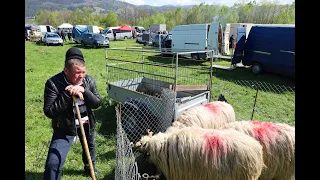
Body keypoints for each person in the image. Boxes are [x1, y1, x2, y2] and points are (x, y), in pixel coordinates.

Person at [43, 47, 102, 180]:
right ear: (65, 70)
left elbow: (97, 103)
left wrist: (84, 90)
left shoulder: (89, 81)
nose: (81, 76)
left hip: (86, 123)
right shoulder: (53, 83)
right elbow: (49, 111)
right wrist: (67, 94)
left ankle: (89, 168)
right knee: (53, 162)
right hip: (65, 128)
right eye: (77, 73)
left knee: (90, 148)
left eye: (83, 72)